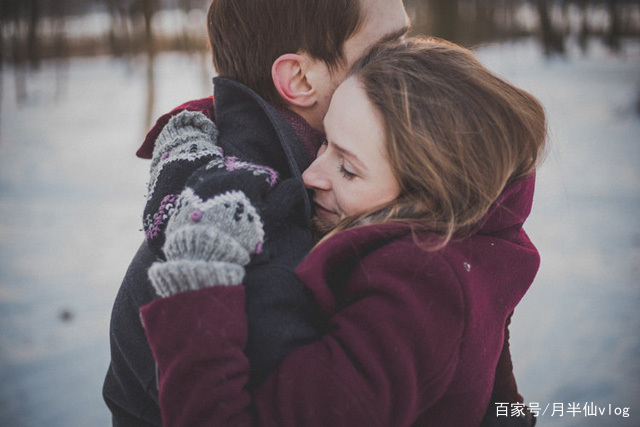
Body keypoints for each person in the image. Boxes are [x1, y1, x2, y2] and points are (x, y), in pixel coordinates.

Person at [139, 37, 547, 426]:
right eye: (324, 142)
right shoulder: (479, 243)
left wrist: (199, 279)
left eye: (348, 169)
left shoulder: (417, 298)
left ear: (428, 197)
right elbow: (497, 400)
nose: (311, 174)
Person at [103, 0, 411, 424]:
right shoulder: (260, 246)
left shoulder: (304, 187)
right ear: (299, 78)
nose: (415, 63)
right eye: (388, 49)